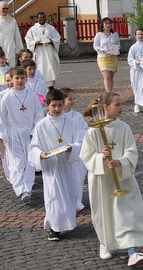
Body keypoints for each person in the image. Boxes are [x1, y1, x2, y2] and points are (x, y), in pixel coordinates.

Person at [80, 92, 143, 267]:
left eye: (121, 104)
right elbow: (86, 156)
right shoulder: (93, 131)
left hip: (123, 178)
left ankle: (133, 251)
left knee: (128, 213)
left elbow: (131, 151)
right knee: (104, 212)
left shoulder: (124, 128)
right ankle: (106, 243)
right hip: (102, 180)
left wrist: (120, 162)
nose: (121, 108)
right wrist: (101, 158)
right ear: (105, 107)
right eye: (117, 105)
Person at [28, 90, 83, 241]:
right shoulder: (41, 125)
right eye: (54, 106)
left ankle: (68, 222)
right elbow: (33, 147)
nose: (57, 109)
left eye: (60, 105)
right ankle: (54, 228)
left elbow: (79, 141)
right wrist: (40, 154)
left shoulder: (71, 123)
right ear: (46, 106)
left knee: (70, 195)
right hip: (52, 167)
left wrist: (73, 147)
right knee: (54, 197)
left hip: (67, 165)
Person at [0, 67, 44, 203]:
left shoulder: (32, 96)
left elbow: (38, 115)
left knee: (29, 161)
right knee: (18, 162)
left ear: (26, 79)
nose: (20, 80)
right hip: (14, 133)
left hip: (29, 132)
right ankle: (20, 188)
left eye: (22, 78)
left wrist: (33, 131)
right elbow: (0, 118)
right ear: (11, 80)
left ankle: (27, 188)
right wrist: (0, 134)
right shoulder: (7, 98)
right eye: (16, 78)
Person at [60, 87, 88, 211]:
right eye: (69, 99)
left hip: (77, 152)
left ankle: (77, 202)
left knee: (78, 179)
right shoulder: (57, 116)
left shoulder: (77, 116)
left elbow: (85, 131)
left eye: (74, 99)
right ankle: (66, 203)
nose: (73, 101)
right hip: (62, 152)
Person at [25, 11, 61, 89]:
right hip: (39, 53)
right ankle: (40, 87)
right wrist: (35, 43)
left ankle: (50, 86)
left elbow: (57, 38)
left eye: (43, 17)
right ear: (37, 19)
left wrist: (52, 41)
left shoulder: (51, 28)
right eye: (40, 17)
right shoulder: (32, 29)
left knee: (49, 68)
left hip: (49, 52)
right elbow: (28, 40)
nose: (42, 19)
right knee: (40, 68)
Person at [93, 17, 120, 92]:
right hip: (103, 58)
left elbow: (118, 44)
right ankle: (108, 94)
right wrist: (103, 50)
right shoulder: (99, 35)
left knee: (111, 77)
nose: (108, 25)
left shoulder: (114, 34)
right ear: (103, 25)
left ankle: (110, 92)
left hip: (113, 57)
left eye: (109, 23)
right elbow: (95, 46)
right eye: (106, 23)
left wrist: (115, 50)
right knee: (106, 76)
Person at [127, 29, 143, 114]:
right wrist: (135, 62)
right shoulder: (133, 47)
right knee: (137, 87)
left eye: (141, 34)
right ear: (135, 36)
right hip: (137, 71)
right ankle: (137, 104)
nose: (140, 36)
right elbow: (130, 59)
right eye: (138, 34)